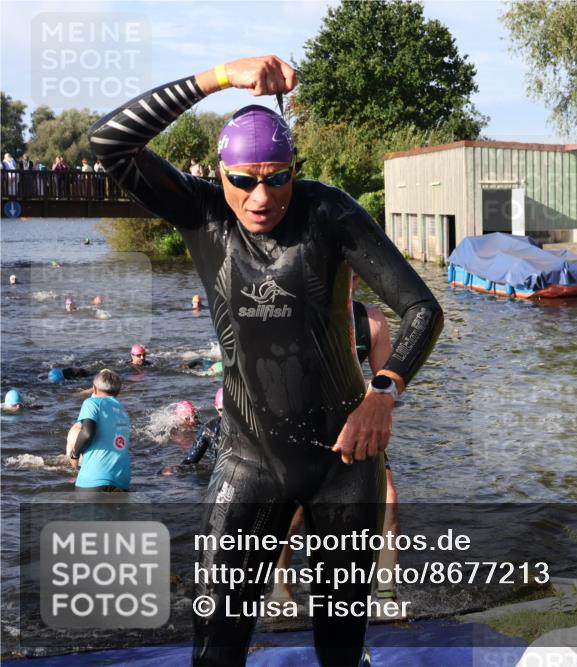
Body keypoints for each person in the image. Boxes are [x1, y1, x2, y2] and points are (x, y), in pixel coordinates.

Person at [89, 54, 442, 666]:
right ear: (220, 174)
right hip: (249, 459)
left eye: (277, 177)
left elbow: (422, 310)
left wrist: (383, 391)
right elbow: (109, 141)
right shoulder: (200, 214)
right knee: (217, 647)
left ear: (294, 171)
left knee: (340, 646)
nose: (261, 196)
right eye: (245, 178)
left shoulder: (327, 213)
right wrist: (220, 76)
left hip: (345, 461)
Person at [272, 271, 400, 602]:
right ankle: (281, 592)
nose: (346, 285)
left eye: (353, 279)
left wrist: (379, 397)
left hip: (354, 427)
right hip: (303, 428)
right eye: (339, 278)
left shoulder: (371, 321)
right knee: (293, 514)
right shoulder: (293, 316)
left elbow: (388, 380)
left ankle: (386, 593)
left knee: (388, 503)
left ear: (358, 282)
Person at [67, 369, 130, 492]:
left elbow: (87, 433)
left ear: (94, 389)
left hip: (94, 478)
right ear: (118, 391)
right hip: (122, 479)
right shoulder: (123, 410)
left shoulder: (91, 403)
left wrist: (74, 454)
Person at [161, 387, 224, 475]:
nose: (192, 421)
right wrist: (176, 469)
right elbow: (190, 460)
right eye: (221, 410)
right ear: (216, 408)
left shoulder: (203, 427)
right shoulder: (208, 430)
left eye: (195, 417)